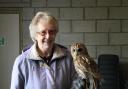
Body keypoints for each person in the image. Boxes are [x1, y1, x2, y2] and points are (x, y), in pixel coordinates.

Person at [10, 11, 85, 89]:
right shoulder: (22, 62)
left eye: (51, 32)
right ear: (35, 35)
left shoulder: (69, 58)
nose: (48, 36)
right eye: (43, 32)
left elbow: (77, 85)